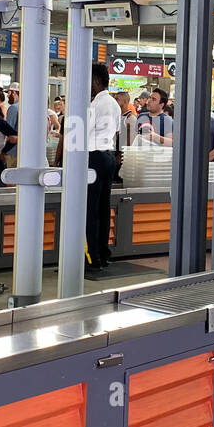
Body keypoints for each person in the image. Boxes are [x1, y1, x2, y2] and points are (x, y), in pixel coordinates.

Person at [83, 63, 120, 276]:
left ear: (96, 81)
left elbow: (82, 134)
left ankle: (92, 258)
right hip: (108, 157)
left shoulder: (94, 105)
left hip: (94, 157)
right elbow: (115, 131)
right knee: (104, 209)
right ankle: (104, 254)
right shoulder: (114, 104)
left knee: (91, 209)